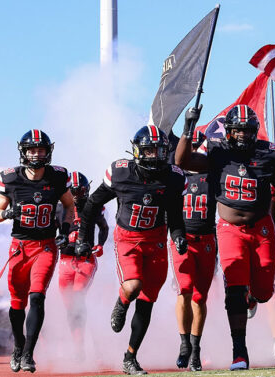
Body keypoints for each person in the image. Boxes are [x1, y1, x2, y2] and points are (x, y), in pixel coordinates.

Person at [175, 104, 275, 371]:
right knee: (234, 291)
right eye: (238, 130)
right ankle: (239, 353)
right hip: (229, 229)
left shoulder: (269, 154)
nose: (243, 135)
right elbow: (182, 161)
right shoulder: (218, 152)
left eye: (247, 130)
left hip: (261, 227)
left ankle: (253, 296)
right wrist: (187, 129)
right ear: (228, 132)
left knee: (264, 293)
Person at [75, 125, 187, 375]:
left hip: (156, 240)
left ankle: (130, 357)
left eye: (159, 151)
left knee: (148, 301)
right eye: (148, 151)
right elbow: (92, 204)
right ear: (137, 151)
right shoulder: (120, 172)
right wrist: (84, 237)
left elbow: (175, 216)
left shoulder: (174, 177)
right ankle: (122, 301)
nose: (154, 157)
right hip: (128, 239)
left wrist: (178, 236)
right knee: (133, 285)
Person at [0, 129, 74, 373]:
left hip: (45, 246)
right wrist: (6, 213)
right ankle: (18, 346)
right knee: (17, 302)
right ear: (23, 152)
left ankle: (28, 354)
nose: (37, 154)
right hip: (20, 248)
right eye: (32, 150)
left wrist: (65, 230)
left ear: (49, 151)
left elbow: (69, 206)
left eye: (41, 149)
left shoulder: (58, 176)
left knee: (37, 296)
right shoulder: (11, 178)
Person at [172, 132, 217, 371]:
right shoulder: (174, 175)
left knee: (200, 297)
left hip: (207, 238)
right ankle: (183, 345)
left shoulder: (213, 175)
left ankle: (196, 348)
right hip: (183, 238)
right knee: (185, 290)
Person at [57, 171, 108, 360]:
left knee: (78, 297)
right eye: (74, 191)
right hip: (65, 259)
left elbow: (103, 227)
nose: (77, 195)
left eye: (81, 191)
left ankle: (89, 345)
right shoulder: (59, 207)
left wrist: (100, 245)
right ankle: (78, 344)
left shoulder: (93, 206)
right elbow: (51, 232)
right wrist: (59, 240)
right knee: (70, 305)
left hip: (85, 259)